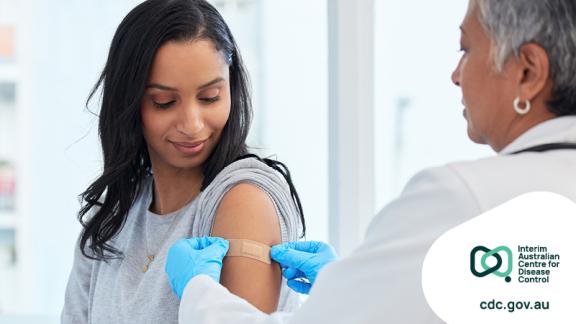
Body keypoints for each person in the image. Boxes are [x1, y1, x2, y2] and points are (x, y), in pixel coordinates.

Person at [164, 0, 576, 323]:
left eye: (466, 49)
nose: (455, 74)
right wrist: (352, 290)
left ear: (527, 72)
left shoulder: (463, 202)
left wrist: (201, 290)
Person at [61, 0, 306, 323]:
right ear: (129, 102)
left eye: (210, 98)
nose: (192, 124)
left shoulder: (243, 200)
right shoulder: (110, 220)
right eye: (164, 102)